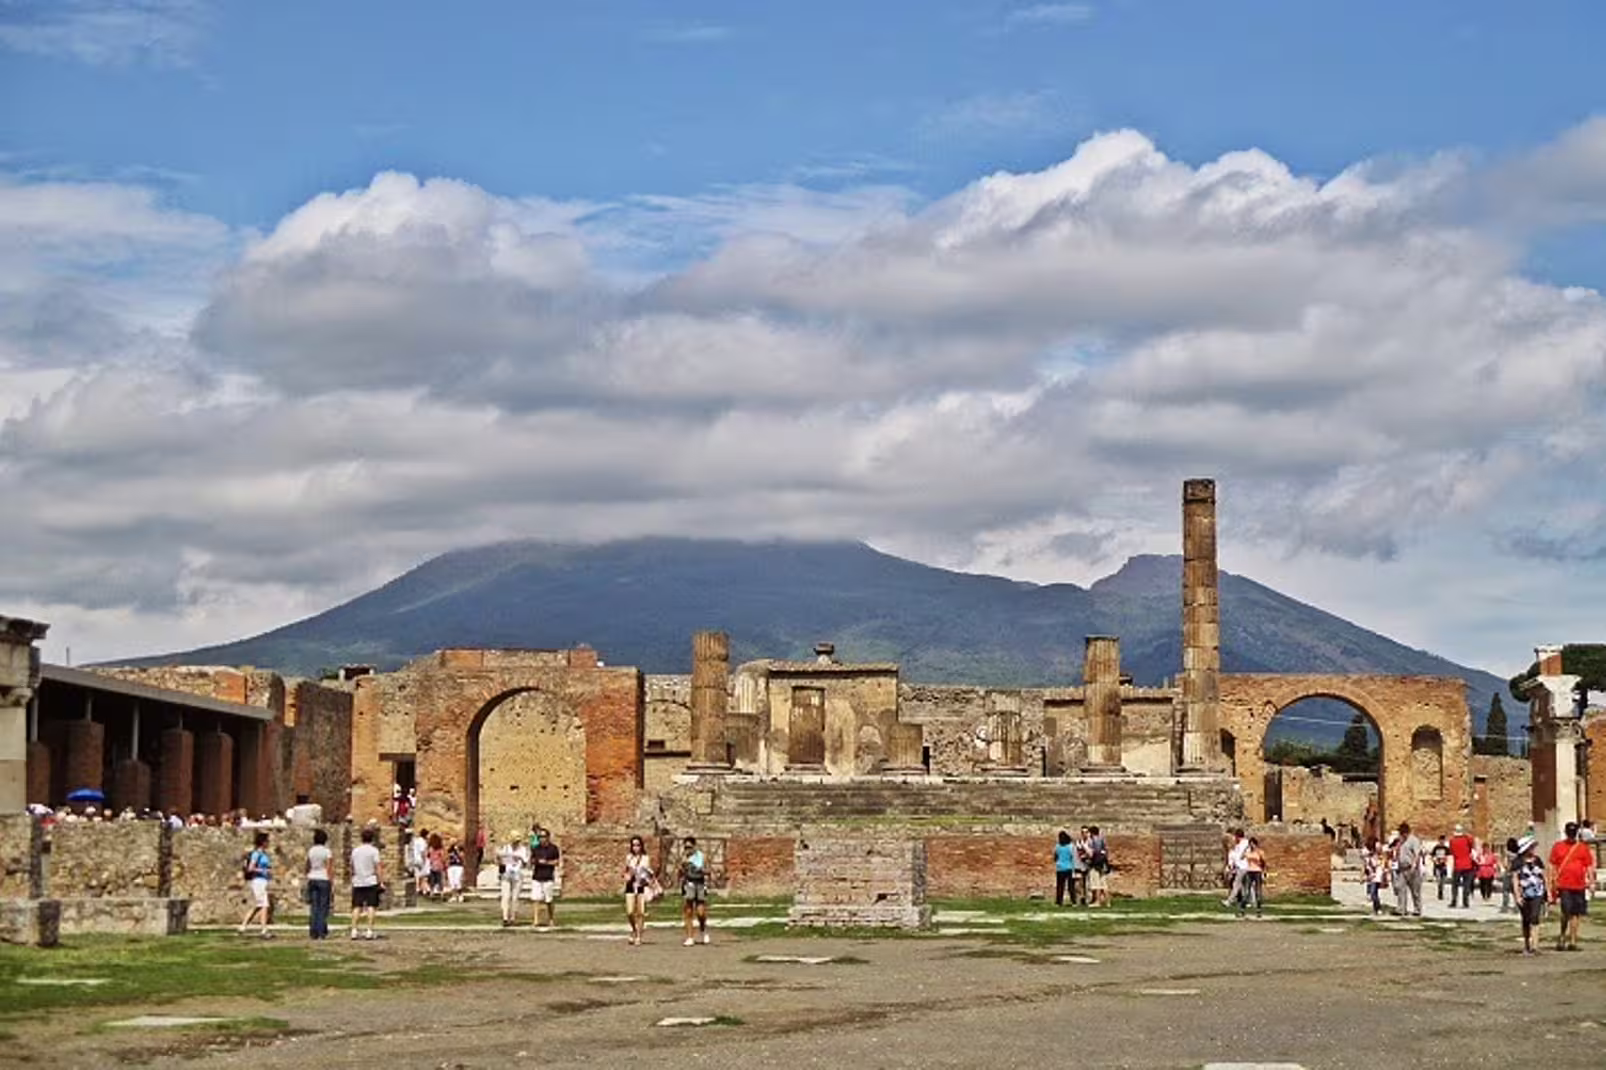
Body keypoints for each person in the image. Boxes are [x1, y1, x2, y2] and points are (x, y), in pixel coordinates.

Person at [1548, 821, 1595, 951]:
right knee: (1566, 912)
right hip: (1564, 885)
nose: (1571, 835)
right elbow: (1552, 865)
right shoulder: (1558, 846)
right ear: (1566, 833)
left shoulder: (1582, 847)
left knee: (1576, 913)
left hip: (1579, 885)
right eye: (1570, 833)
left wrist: (1591, 882)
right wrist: (1551, 881)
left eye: (1573, 833)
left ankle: (1573, 940)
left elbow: (1589, 866)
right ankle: (1562, 935)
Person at [349, 825, 384, 940]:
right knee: (371, 906)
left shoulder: (355, 851)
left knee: (356, 906)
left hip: (358, 881)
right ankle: (369, 930)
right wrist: (381, 881)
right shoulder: (374, 851)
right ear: (372, 839)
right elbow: (378, 867)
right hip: (371, 881)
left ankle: (354, 930)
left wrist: (353, 877)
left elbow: (352, 866)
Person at [1514, 836, 1547, 955]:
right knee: (1526, 919)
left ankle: (1535, 945)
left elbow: (1543, 876)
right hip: (1524, 893)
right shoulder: (1518, 862)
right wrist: (1517, 896)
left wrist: (1547, 892)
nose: (1533, 849)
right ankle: (1527, 944)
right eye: (1531, 847)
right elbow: (1515, 879)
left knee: (1535, 917)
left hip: (1537, 892)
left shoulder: (1537, 860)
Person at [238, 831, 274, 938]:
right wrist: (262, 871)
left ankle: (243, 926)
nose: (268, 843)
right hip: (258, 881)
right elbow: (251, 868)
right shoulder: (256, 854)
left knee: (258, 905)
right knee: (264, 905)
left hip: (263, 881)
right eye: (267, 841)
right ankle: (263, 929)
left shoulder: (263, 854)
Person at [623, 834, 657, 946]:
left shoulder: (645, 858)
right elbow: (625, 871)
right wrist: (627, 875)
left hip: (641, 885)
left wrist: (649, 880)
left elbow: (648, 872)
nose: (635, 848)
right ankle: (634, 928)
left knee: (641, 912)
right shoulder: (629, 857)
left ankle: (639, 936)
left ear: (641, 846)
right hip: (631, 885)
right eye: (633, 845)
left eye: (638, 845)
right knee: (630, 912)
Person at [679, 835, 710, 945]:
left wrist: (702, 870)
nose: (687, 850)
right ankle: (689, 936)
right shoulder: (684, 857)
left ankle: (703, 929)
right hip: (689, 884)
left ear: (694, 846)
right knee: (688, 911)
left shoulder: (701, 856)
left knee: (700, 912)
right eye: (685, 847)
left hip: (700, 884)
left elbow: (708, 870)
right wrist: (683, 865)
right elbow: (680, 872)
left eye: (689, 847)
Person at [305, 828, 333, 940]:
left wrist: (307, 874)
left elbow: (307, 865)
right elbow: (329, 867)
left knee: (314, 906)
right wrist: (331, 880)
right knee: (323, 906)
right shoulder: (327, 851)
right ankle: (322, 930)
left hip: (312, 878)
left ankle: (313, 930)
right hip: (323, 878)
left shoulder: (311, 851)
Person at [497, 831, 529, 928]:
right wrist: (501, 858)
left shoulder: (523, 849)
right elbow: (499, 861)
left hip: (517, 874)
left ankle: (513, 917)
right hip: (506, 874)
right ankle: (505, 917)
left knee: (515, 898)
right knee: (505, 896)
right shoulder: (505, 848)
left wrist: (519, 858)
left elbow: (526, 863)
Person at [1393, 824, 1423, 917]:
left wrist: (1414, 865)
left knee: (1415, 891)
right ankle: (1401, 909)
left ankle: (1417, 909)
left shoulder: (1414, 840)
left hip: (1412, 868)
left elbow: (1417, 854)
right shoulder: (1400, 841)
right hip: (1402, 868)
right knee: (1401, 889)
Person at [1447, 824, 1475, 908]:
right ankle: (1465, 902)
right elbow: (1471, 845)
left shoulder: (1452, 841)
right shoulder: (1467, 839)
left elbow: (1451, 851)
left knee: (1455, 885)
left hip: (1458, 865)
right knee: (1466, 885)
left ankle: (1454, 901)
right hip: (1468, 864)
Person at [1222, 828, 1250, 912]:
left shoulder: (1244, 844)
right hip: (1242, 867)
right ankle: (1248, 901)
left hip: (1243, 867)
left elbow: (1240, 856)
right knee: (1245, 886)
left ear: (1238, 836)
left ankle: (1229, 901)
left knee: (1236, 885)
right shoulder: (1240, 844)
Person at [1241, 836, 1267, 917]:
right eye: (1250, 844)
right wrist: (1246, 849)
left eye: (1253, 844)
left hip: (1257, 872)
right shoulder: (1248, 852)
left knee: (1258, 891)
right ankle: (1242, 910)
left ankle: (1258, 910)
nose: (1252, 846)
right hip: (1249, 871)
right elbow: (1241, 857)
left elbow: (1264, 862)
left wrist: (1264, 872)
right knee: (1246, 891)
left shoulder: (1260, 852)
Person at [1085, 826, 1110, 908]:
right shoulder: (1102, 839)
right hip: (1102, 864)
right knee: (1104, 884)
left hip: (1094, 864)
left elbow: (1091, 853)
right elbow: (1106, 851)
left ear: (1091, 833)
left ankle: (1097, 901)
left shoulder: (1092, 841)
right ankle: (1108, 902)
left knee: (1096, 884)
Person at [1053, 830, 1076, 907]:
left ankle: (1059, 902)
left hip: (1060, 868)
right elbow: (1073, 857)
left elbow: (1055, 857)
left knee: (1060, 886)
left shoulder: (1058, 846)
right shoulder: (1071, 846)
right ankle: (1074, 901)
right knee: (1071, 886)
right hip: (1069, 868)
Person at [1362, 837, 1384, 914]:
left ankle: (1378, 908)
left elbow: (1377, 863)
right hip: (1371, 874)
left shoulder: (1376, 855)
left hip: (1377, 874)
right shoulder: (1367, 853)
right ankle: (1377, 908)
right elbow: (1365, 864)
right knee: (1374, 893)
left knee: (1373, 892)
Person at [410, 827, 430, 898]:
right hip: (421, 860)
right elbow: (423, 852)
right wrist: (424, 860)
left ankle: (418, 888)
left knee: (417, 875)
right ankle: (424, 889)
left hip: (415, 859)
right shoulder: (422, 842)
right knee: (423, 876)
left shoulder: (416, 840)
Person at [1429, 835, 1450, 900]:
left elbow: (1448, 856)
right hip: (1437, 866)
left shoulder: (1446, 848)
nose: (1442, 842)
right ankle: (1439, 891)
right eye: (1441, 840)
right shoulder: (1436, 848)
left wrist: (1445, 860)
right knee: (1438, 880)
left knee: (1443, 880)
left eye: (1443, 840)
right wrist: (1435, 861)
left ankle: (1441, 891)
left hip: (1444, 865)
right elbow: (1432, 856)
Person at [426, 832, 446, 900]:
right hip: (439, 865)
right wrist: (444, 863)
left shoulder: (430, 848)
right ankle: (441, 893)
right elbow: (443, 857)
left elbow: (427, 855)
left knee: (432, 880)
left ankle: (432, 892)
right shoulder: (440, 849)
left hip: (432, 865)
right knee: (440, 880)